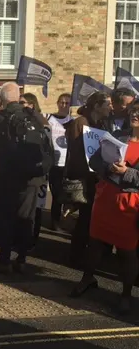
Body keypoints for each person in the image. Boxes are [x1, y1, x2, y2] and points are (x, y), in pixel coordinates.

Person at [70, 104, 139, 313]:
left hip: (129, 203)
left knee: (127, 252)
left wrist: (127, 172)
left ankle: (126, 294)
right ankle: (87, 278)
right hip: (105, 198)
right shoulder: (118, 135)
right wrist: (108, 167)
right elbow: (94, 160)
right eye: (134, 110)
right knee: (95, 243)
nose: (135, 114)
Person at [0, 82, 49, 274]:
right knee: (26, 218)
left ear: (2, 100)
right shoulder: (34, 115)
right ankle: (22, 259)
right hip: (32, 177)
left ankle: (4, 261)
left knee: (5, 218)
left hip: (7, 176)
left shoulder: (0, 117)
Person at [64, 91, 113, 266]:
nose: (110, 107)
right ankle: (76, 257)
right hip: (85, 178)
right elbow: (77, 153)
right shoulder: (80, 123)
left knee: (91, 218)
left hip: (96, 178)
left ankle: (86, 254)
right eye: (107, 104)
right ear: (97, 106)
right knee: (85, 218)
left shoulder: (101, 124)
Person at [19, 92, 48, 249]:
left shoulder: (40, 121)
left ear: (31, 104)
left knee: (35, 207)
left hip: (37, 171)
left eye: (23, 102)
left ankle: (31, 239)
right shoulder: (21, 120)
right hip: (25, 171)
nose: (20, 105)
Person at [45, 93, 72, 231]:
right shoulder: (49, 118)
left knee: (63, 194)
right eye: (61, 102)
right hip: (52, 162)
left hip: (65, 162)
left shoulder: (72, 121)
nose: (63, 105)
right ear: (57, 103)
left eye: (67, 103)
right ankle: (54, 222)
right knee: (55, 193)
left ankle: (59, 220)